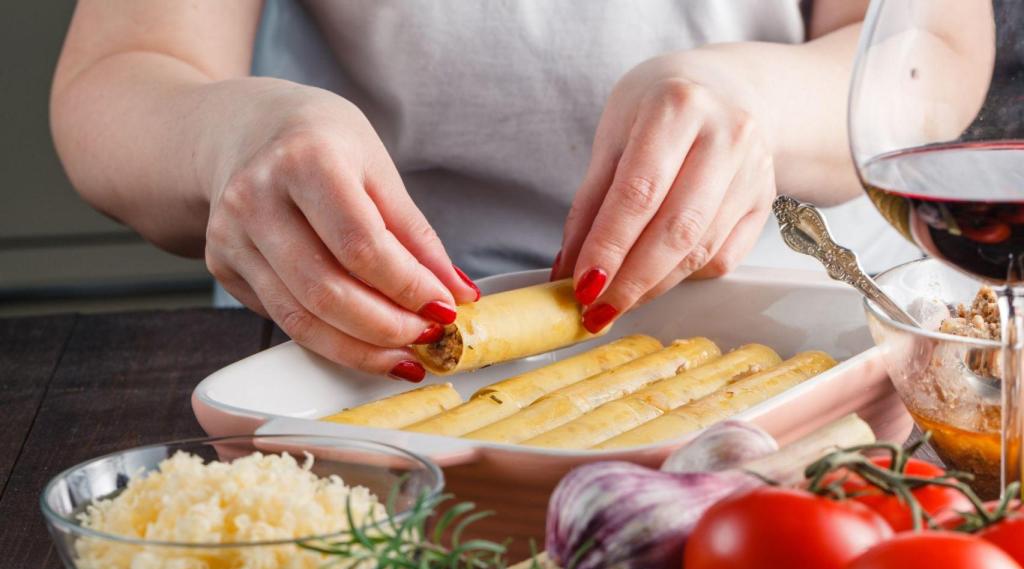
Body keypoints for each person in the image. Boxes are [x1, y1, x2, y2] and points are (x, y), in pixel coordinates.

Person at [50, 0, 919, 382]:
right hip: (364, 344)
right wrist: (229, 138)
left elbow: (930, 50)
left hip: (807, 334)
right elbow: (121, 75)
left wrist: (758, 106)